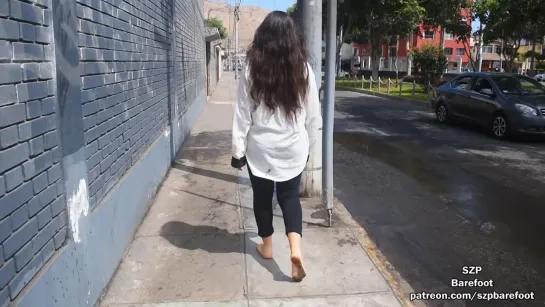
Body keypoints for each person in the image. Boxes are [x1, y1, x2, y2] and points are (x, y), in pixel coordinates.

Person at [230, 11, 322, 282]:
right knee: (290, 197)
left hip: (261, 148)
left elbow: (242, 112)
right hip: (293, 147)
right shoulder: (303, 68)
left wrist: (237, 151)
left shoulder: (251, 67)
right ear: (292, 38)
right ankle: (295, 251)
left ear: (263, 36)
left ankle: (267, 246)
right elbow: (313, 115)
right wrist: (309, 149)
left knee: (262, 198)